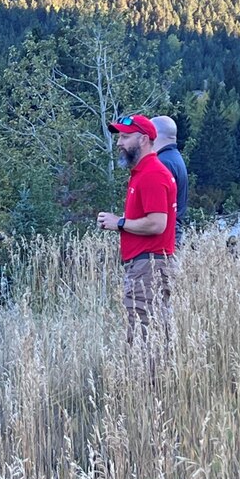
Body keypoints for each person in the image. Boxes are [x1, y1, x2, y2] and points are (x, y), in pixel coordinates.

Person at [96, 114, 178, 347]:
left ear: (143, 139)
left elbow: (157, 223)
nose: (119, 143)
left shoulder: (152, 174)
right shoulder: (143, 173)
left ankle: (150, 383)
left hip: (148, 266)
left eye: (125, 136)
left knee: (144, 334)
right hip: (147, 264)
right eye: (119, 136)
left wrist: (119, 223)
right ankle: (156, 381)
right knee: (149, 329)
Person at [152, 115, 188, 242]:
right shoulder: (174, 158)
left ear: (155, 134)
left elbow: (157, 209)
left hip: (165, 236)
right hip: (173, 232)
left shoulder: (163, 163)